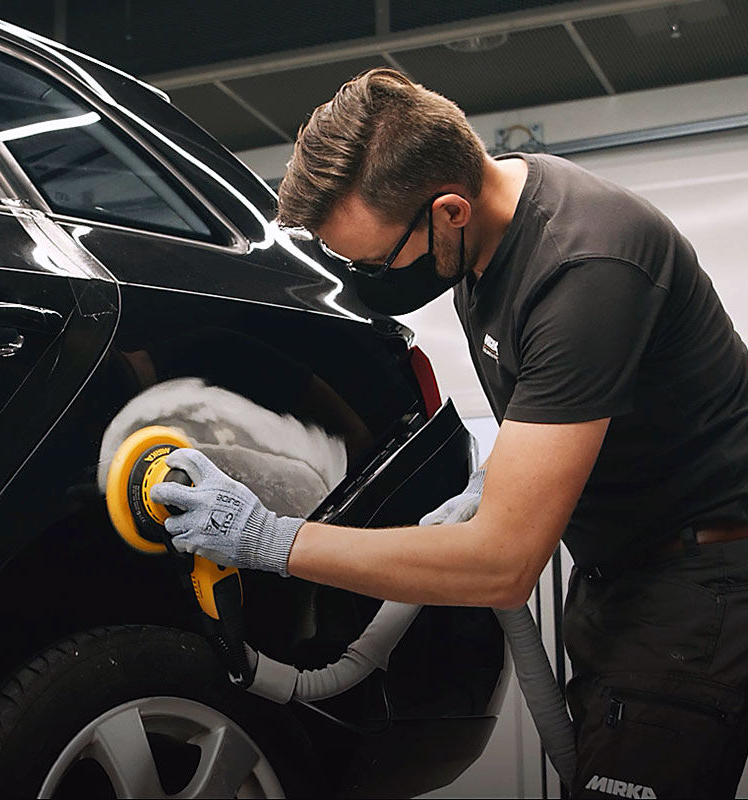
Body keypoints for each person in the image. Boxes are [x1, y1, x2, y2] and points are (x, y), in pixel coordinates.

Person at [151, 68, 748, 798]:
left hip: (702, 589)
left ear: (451, 209)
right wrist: (493, 481)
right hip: (618, 581)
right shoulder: (486, 245)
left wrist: (269, 540)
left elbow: (502, 565)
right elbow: (568, 406)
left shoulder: (585, 265)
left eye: (374, 262)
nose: (366, 278)